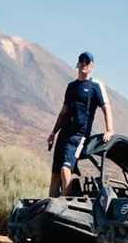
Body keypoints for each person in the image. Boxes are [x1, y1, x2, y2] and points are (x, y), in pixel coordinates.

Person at [47, 51, 114, 197]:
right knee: (55, 175)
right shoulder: (71, 86)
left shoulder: (96, 86)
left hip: (79, 135)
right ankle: (50, 207)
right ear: (77, 64)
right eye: (81, 61)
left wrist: (109, 129)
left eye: (87, 62)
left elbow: (106, 107)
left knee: (66, 170)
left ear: (92, 66)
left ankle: (65, 204)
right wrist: (53, 133)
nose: (84, 64)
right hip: (64, 133)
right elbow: (64, 111)